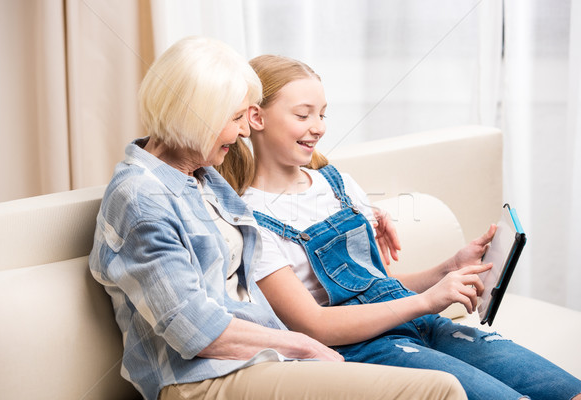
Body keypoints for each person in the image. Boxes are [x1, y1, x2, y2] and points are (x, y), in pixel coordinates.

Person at [89, 37, 468, 400]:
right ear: (197, 117)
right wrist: (301, 342)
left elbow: (274, 219)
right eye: (235, 117)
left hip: (263, 358)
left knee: (442, 380)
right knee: (440, 389)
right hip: (202, 380)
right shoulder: (141, 199)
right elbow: (196, 332)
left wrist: (359, 213)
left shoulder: (201, 176)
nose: (242, 132)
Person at [217, 54, 581, 400]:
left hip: (422, 323)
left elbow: (381, 290)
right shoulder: (248, 219)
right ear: (256, 118)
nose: (319, 128)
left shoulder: (337, 183)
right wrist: (428, 300)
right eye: (303, 115)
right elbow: (314, 324)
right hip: (364, 349)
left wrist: (448, 269)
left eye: (323, 114)